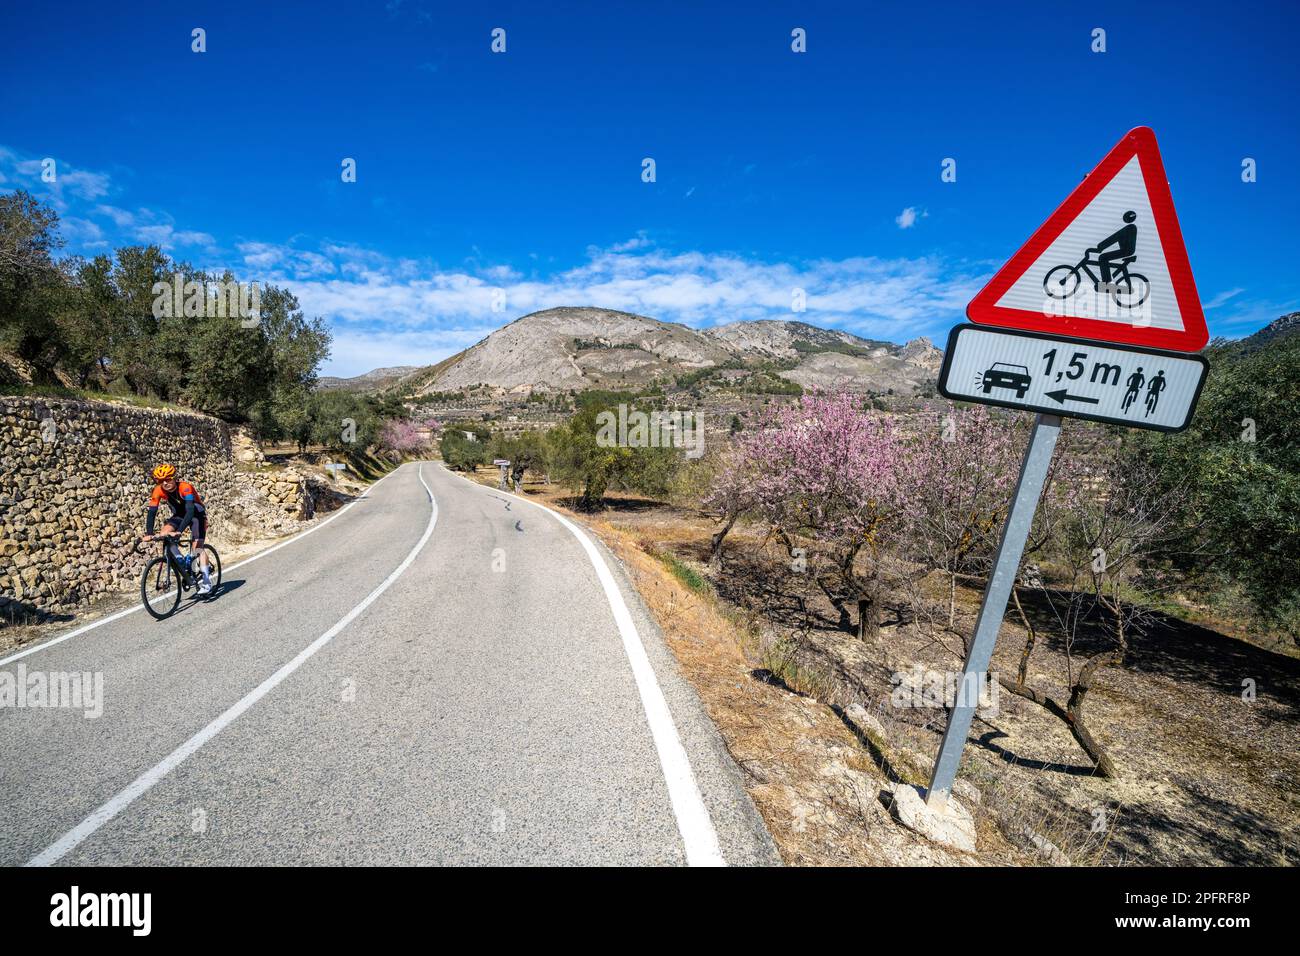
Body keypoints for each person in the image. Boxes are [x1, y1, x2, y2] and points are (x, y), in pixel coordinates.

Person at [142, 463, 212, 593]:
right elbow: (152, 512)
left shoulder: (185, 488)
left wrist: (179, 531)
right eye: (161, 481)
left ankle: (207, 582)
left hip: (196, 515)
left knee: (197, 548)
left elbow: (190, 511)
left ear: (174, 477)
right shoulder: (158, 490)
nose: (165, 483)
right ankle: (180, 560)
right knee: (164, 533)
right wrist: (149, 533)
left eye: (168, 479)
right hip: (179, 515)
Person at [1090, 210, 1138, 285]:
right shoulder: (1130, 227)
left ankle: (1106, 283)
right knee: (1103, 258)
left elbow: (1114, 238)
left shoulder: (1130, 228)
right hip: (1126, 250)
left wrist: (1100, 247)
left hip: (1126, 250)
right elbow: (1114, 237)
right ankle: (1107, 281)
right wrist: (1100, 247)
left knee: (1103, 257)